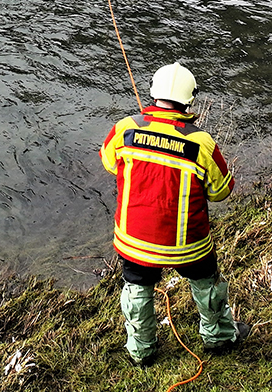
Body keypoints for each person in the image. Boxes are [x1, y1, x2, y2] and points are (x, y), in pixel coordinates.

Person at [100, 63, 250, 367]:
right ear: (189, 99)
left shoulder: (124, 128)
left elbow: (109, 162)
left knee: (137, 287)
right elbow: (221, 192)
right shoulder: (201, 142)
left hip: (134, 241)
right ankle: (218, 337)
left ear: (154, 93)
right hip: (188, 245)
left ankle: (141, 351)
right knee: (206, 281)